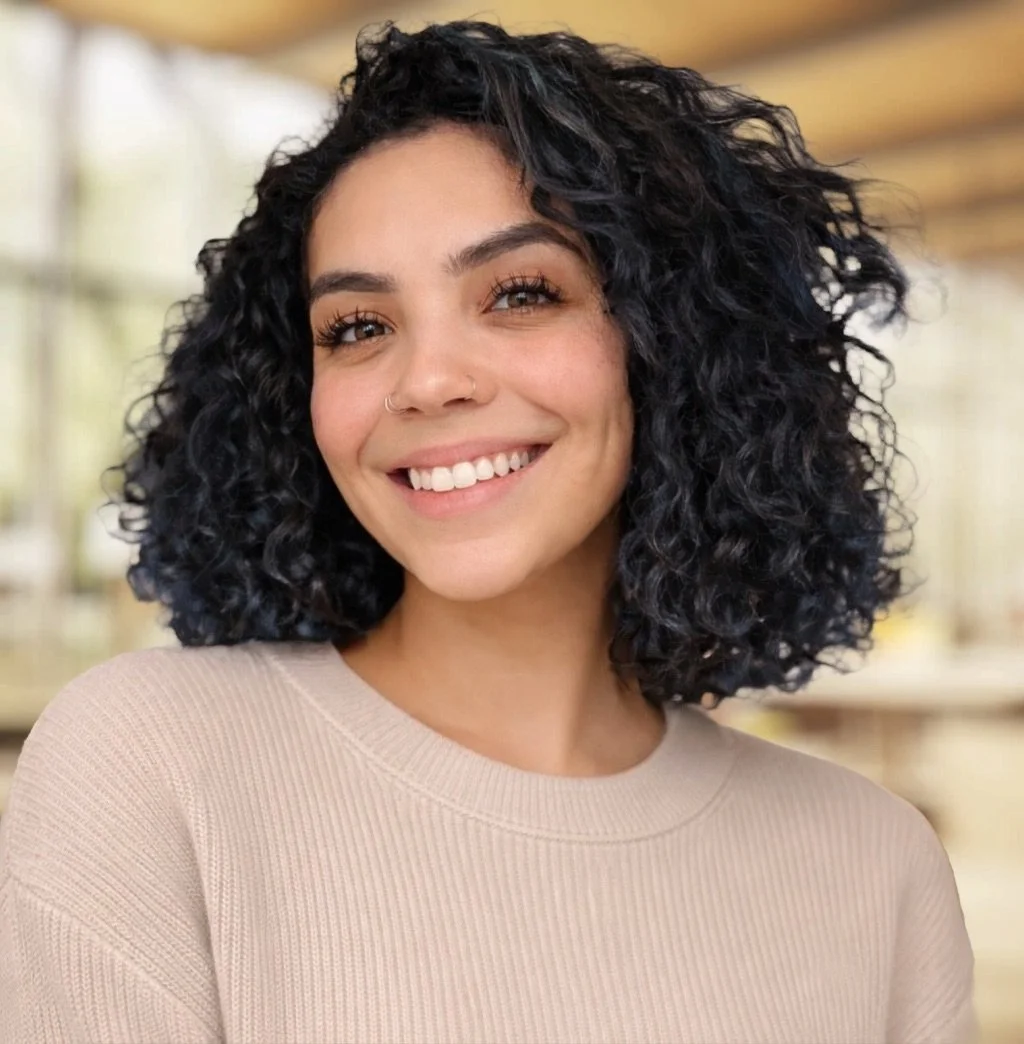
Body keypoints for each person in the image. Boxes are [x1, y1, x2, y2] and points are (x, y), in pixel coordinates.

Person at [0, 19, 975, 1044]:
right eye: (358, 327)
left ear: (669, 346)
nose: (426, 381)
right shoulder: (151, 762)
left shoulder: (873, 866)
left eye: (519, 294)